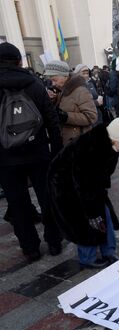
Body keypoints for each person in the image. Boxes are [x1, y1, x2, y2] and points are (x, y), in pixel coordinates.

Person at [0, 42, 63, 262]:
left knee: (17, 204)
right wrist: (56, 151)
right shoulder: (35, 84)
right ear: (19, 61)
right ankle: (54, 241)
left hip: (6, 159)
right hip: (38, 153)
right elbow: (52, 121)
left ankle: (30, 247)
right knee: (48, 198)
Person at [48, 118, 119, 268]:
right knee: (85, 220)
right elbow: (84, 186)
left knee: (105, 215)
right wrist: (93, 213)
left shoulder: (110, 143)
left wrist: (101, 191)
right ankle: (87, 258)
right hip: (65, 185)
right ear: (114, 137)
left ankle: (108, 251)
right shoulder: (91, 149)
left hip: (87, 184)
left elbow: (102, 174)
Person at [44, 60, 98, 145]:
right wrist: (54, 99)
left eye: (55, 80)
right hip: (67, 140)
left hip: (79, 142)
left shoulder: (80, 90)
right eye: (51, 81)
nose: (53, 84)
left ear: (64, 76)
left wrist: (66, 116)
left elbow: (92, 117)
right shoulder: (62, 89)